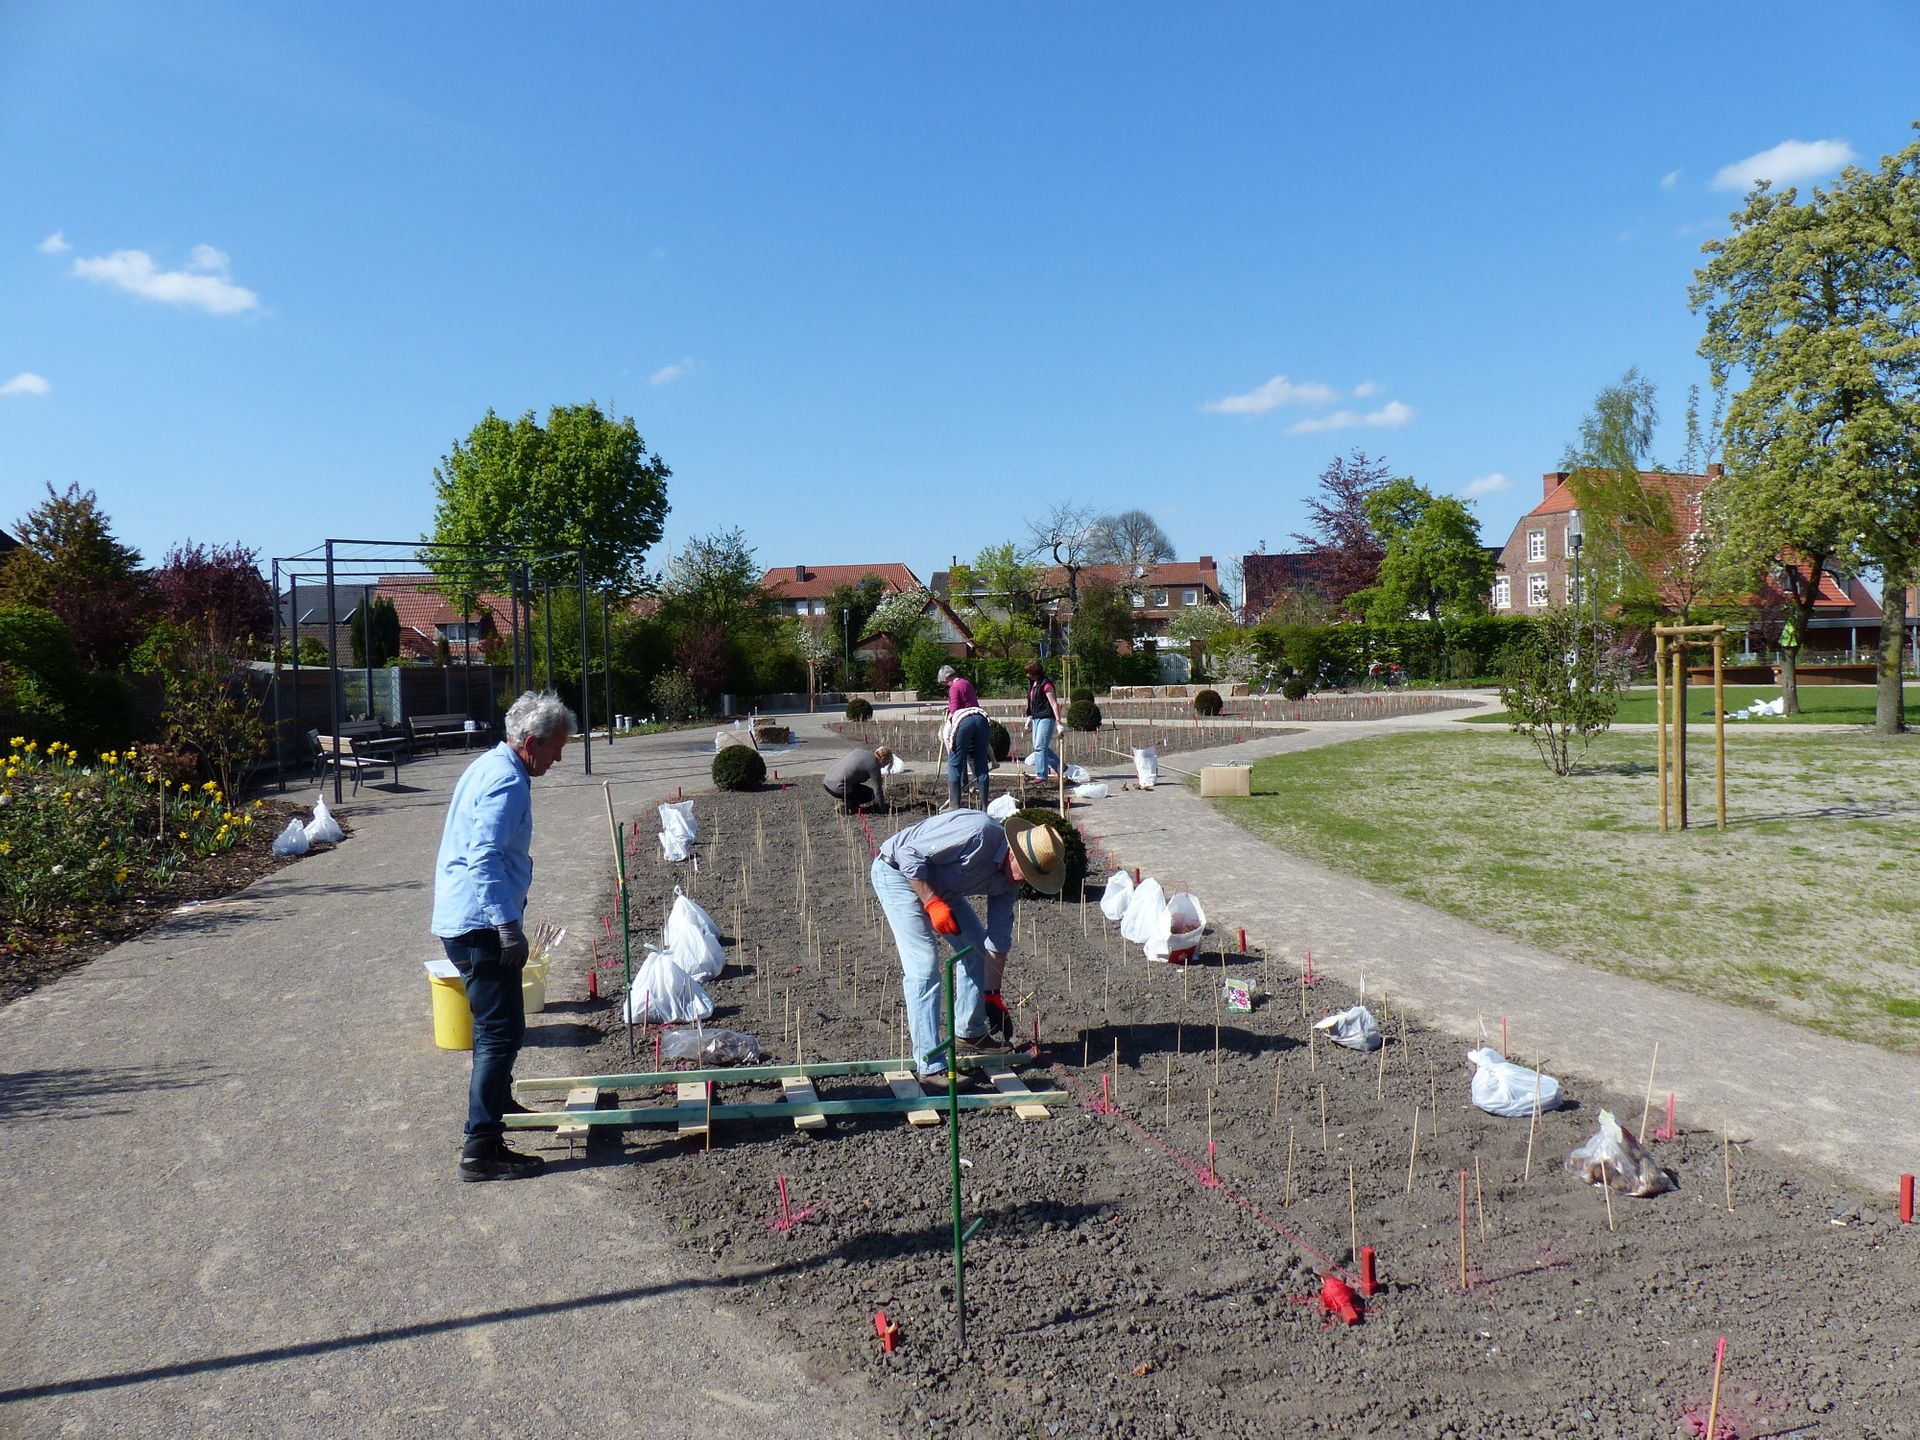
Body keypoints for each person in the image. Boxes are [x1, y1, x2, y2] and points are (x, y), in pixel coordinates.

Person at [431, 691, 576, 1182]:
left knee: (501, 1028)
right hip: (481, 926)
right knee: (500, 1031)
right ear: (531, 743)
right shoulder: (507, 781)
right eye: (556, 748)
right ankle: (481, 1148)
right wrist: (507, 926)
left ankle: (498, 1104)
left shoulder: (491, 765)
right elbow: (484, 857)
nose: (559, 758)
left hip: (473, 920)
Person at [870, 809, 1066, 1079]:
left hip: (941, 886)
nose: (1025, 881)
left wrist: (992, 995)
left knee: (974, 949)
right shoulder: (978, 832)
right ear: (1014, 855)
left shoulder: (1010, 883)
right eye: (1026, 873)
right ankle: (930, 1063)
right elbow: (907, 855)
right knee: (924, 966)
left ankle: (970, 1033)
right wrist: (931, 902)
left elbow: (998, 938)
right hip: (897, 873)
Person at [939, 671, 993, 811]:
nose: (946, 685)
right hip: (981, 718)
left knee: (954, 764)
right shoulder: (967, 683)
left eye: (945, 683)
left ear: (947, 679)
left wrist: (949, 716)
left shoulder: (954, 687)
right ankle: (984, 806)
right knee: (981, 762)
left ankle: (954, 805)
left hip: (964, 721)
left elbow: (954, 708)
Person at [1024, 659, 1065, 782]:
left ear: (1035, 672)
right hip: (1036, 718)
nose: (1027, 675)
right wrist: (1029, 719)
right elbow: (1032, 704)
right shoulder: (1033, 684)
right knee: (1039, 746)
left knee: (1040, 746)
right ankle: (1060, 766)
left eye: (1029, 672)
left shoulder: (1046, 684)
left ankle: (1041, 775)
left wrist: (1058, 722)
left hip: (1046, 718)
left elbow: (1054, 704)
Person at [822, 744, 894, 814]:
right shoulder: (874, 765)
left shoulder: (859, 751)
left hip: (827, 782)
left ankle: (845, 800)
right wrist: (883, 810)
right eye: (886, 763)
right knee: (870, 794)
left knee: (855, 786)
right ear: (882, 759)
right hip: (837, 788)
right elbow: (877, 791)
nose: (884, 767)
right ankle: (846, 805)